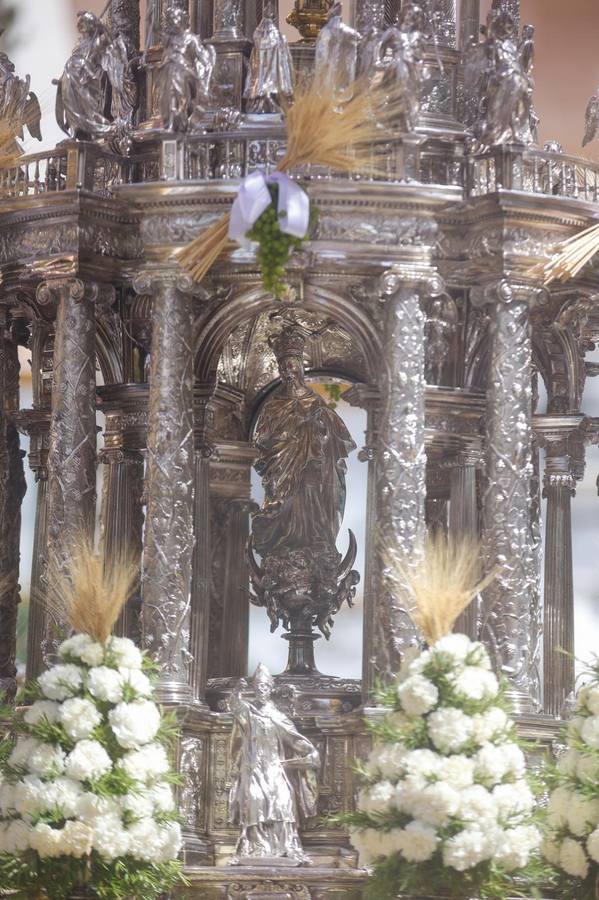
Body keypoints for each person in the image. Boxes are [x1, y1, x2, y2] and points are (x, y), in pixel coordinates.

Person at [228, 663, 319, 863]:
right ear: (254, 688)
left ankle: (286, 846)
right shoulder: (249, 713)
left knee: (283, 802)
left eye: (265, 686)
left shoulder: (278, 717)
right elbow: (235, 706)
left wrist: (311, 752)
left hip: (276, 768)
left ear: (271, 689)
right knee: (255, 800)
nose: (262, 689)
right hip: (253, 769)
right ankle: (255, 847)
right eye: (258, 686)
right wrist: (237, 691)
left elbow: (294, 739)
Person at [152, 7, 215, 132]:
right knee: (167, 94)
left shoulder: (191, 38)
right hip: (168, 70)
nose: (173, 21)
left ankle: (179, 119)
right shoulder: (170, 39)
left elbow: (202, 57)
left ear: (182, 19)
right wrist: (151, 14)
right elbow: (155, 30)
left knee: (177, 88)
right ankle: (169, 120)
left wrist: (206, 75)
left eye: (175, 18)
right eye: (170, 19)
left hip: (184, 72)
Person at [244, 0, 294, 114]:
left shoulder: (276, 35)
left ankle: (267, 100)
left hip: (270, 71)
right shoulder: (262, 31)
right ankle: (263, 101)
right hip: (262, 71)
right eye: (268, 10)